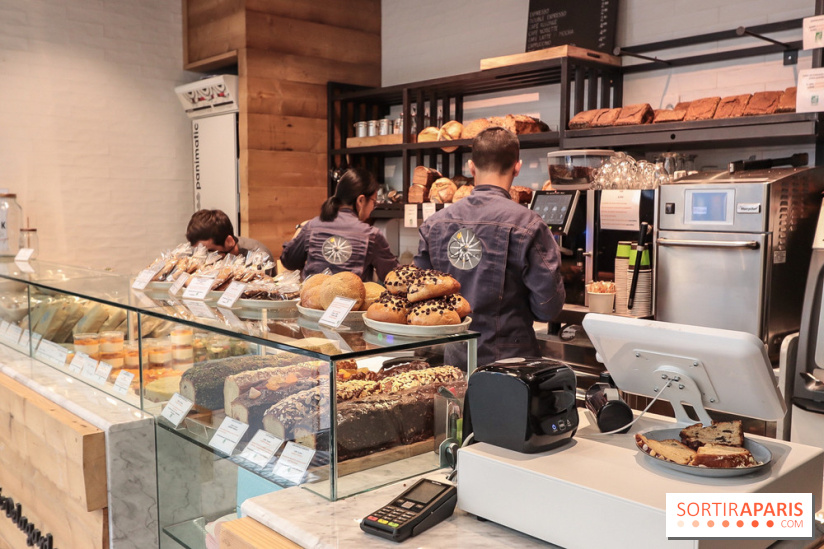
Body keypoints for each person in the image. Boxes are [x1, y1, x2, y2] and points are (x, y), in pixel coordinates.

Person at [414, 127, 565, 366]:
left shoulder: (434, 224)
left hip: (455, 359)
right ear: (517, 167)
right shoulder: (528, 224)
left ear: (471, 167)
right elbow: (548, 307)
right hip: (512, 364)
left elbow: (419, 295)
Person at [281, 167, 399, 281]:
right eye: (374, 202)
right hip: (351, 295)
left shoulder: (312, 225)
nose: (373, 208)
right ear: (361, 200)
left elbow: (288, 261)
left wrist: (301, 228)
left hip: (312, 294)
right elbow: (393, 276)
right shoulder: (371, 235)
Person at [186, 209, 274, 261]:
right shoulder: (197, 256)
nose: (203, 257)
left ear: (229, 241)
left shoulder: (258, 256)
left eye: (210, 251)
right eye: (198, 250)